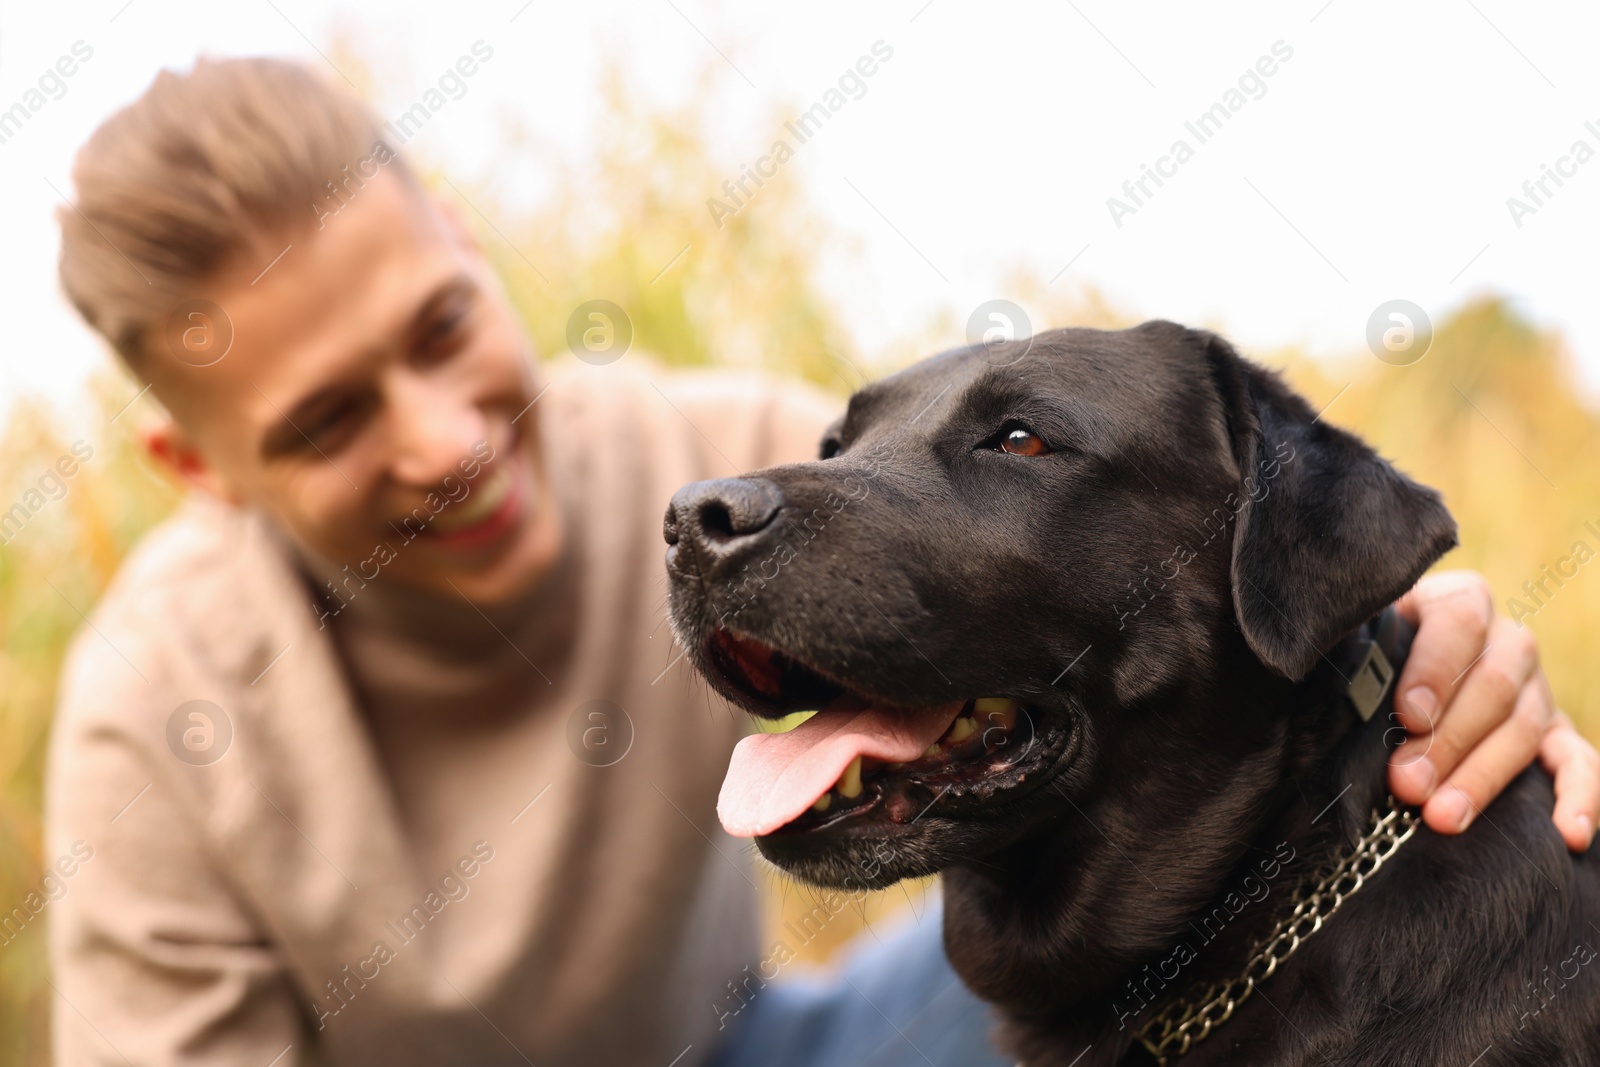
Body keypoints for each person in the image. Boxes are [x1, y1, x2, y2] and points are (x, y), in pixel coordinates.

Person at [45, 57, 1597, 1067]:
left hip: (756, 1052)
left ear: (456, 235)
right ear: (198, 468)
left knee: (1066, 918)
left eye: (445, 327)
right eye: (326, 421)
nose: (446, 438)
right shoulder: (153, 717)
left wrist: (1419, 646)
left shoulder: (719, 458)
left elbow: (1072, 514)